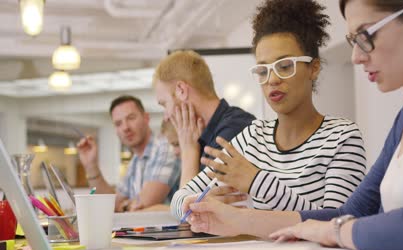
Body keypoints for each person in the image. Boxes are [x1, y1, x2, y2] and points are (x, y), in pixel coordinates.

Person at [184, 0, 403, 250]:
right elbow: (346, 214)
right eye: (353, 41)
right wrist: (235, 220)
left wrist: (334, 231)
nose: (356, 56)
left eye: (366, 35)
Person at [171, 0, 367, 219]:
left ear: (313, 68)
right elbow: (179, 198)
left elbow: (336, 222)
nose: (272, 79)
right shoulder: (252, 137)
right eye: (263, 71)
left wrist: (257, 181)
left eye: (284, 67)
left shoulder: (342, 138)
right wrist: (195, 203)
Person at [153, 50, 256, 191]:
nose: (166, 116)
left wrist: (188, 151)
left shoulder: (234, 128)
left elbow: (189, 208)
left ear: (181, 90)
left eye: (164, 104)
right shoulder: (199, 137)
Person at [77, 95, 181, 212]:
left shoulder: (166, 148)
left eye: (131, 118)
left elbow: (143, 205)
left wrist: (124, 206)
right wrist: (91, 166)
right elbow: (111, 204)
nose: (125, 127)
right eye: (118, 123)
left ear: (146, 118)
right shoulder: (135, 162)